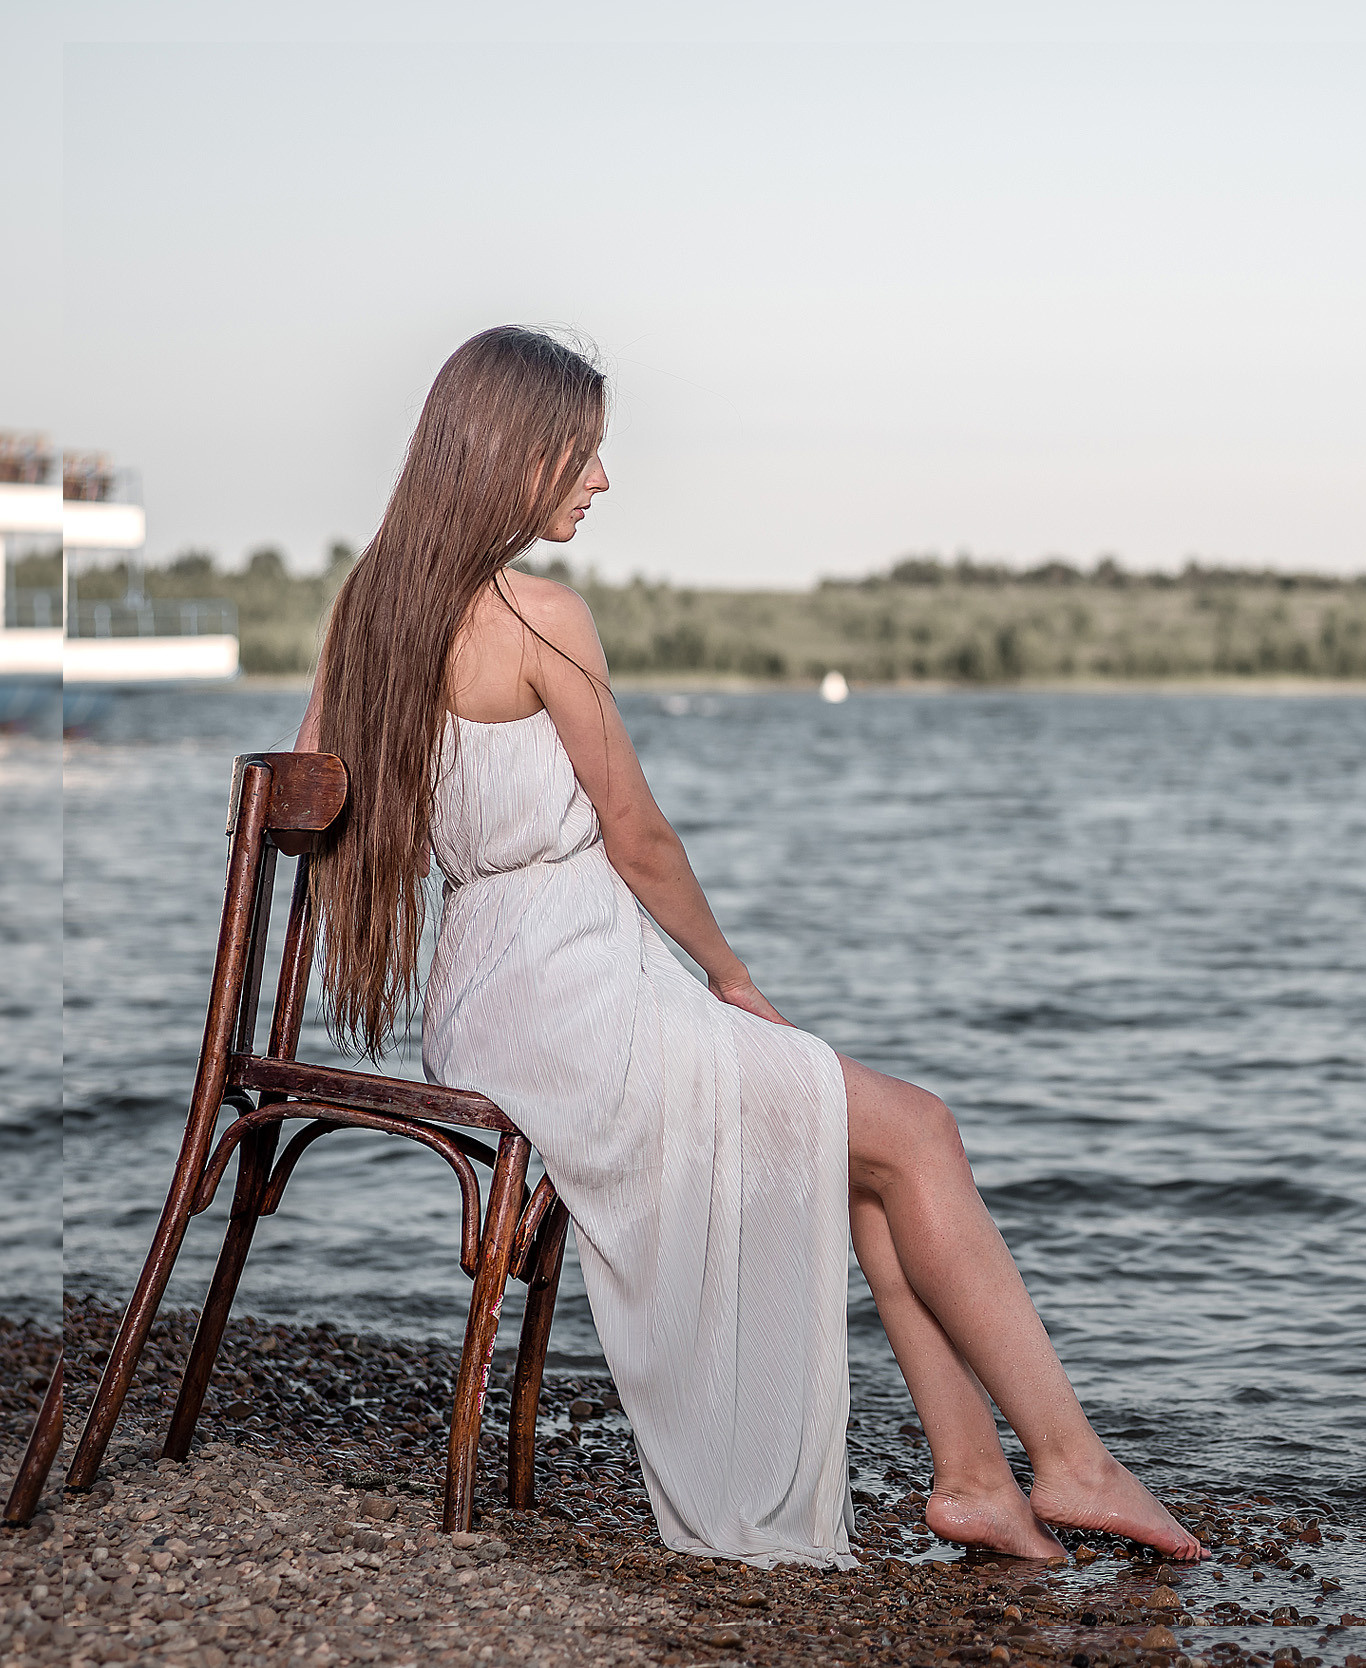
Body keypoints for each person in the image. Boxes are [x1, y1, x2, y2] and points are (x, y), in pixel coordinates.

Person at [291, 325, 1201, 1569]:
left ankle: (978, 1479)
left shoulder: (369, 615)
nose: (600, 481)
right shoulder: (539, 616)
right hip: (577, 999)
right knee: (919, 1128)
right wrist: (729, 975)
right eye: (585, 453)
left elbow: (310, 800)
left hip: (488, 998)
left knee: (863, 1147)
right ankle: (1074, 1463)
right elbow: (638, 835)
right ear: (513, 452)